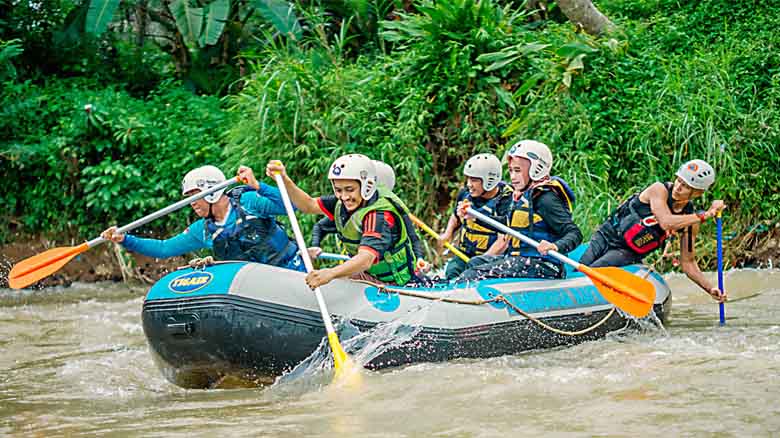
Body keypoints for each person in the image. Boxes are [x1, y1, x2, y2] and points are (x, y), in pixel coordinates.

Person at [101, 165, 304, 271]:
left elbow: (292, 206)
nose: (192, 203)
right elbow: (164, 249)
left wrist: (259, 185)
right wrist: (125, 239)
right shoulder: (204, 230)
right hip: (255, 286)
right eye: (189, 198)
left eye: (194, 196)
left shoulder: (249, 202)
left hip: (289, 269)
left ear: (211, 191)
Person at [579, 159, 727, 302]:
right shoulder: (659, 190)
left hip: (627, 252)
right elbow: (666, 222)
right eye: (678, 180)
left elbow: (687, 262)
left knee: (593, 272)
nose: (678, 187)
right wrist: (706, 215)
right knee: (580, 270)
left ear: (697, 193)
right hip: (605, 235)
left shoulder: (690, 221)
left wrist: (710, 289)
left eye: (686, 186)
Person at [267, 154, 419, 288]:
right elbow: (308, 205)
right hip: (367, 275)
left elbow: (365, 259)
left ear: (367, 186)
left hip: (393, 284)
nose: (344, 196)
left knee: (334, 281)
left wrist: (331, 273)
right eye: (338, 190)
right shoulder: (342, 203)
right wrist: (284, 179)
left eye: (349, 189)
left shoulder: (379, 216)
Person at [457, 140, 582, 281]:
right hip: (520, 260)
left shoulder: (545, 199)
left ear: (536, 169)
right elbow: (508, 224)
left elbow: (574, 233)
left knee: (473, 275)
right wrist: (475, 217)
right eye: (510, 170)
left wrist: (555, 246)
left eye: (517, 171)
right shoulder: (522, 195)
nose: (512, 177)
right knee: (475, 262)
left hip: (544, 266)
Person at [307, 160, 429, 272]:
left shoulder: (386, 211)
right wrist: (315, 245)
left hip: (394, 273)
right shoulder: (348, 209)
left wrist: (419, 257)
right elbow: (321, 226)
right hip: (366, 270)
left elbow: (412, 236)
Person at [438, 153, 513, 279]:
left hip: (493, 258)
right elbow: (456, 216)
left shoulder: (506, 200)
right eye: (468, 179)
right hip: (465, 254)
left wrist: (480, 263)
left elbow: (503, 242)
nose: (469, 184)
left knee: (472, 276)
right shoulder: (465, 194)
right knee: (452, 271)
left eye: (474, 180)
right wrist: (448, 233)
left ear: (490, 180)